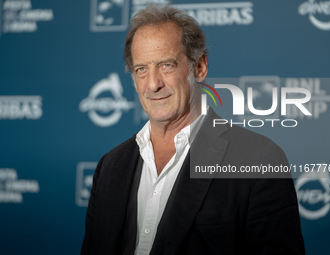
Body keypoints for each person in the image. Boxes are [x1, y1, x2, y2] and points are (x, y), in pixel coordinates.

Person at [81, 4, 305, 255]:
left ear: (199, 67)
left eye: (166, 65)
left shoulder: (258, 158)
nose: (153, 84)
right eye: (141, 69)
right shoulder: (110, 166)